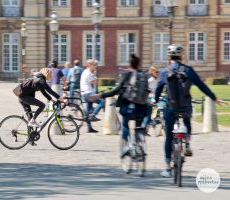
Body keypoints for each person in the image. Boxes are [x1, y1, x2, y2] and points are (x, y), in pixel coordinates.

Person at [155, 44, 226, 178]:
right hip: (186, 106)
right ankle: (187, 143)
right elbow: (201, 85)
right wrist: (214, 98)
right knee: (187, 122)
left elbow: (158, 89)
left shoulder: (165, 71)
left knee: (169, 137)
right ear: (181, 56)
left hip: (171, 107)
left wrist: (155, 101)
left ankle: (167, 168)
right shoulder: (188, 70)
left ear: (169, 56)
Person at [89, 54, 149, 156]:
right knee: (138, 126)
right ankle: (140, 146)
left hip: (129, 107)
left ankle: (126, 146)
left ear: (129, 64)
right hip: (141, 108)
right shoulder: (144, 75)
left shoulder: (127, 75)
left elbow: (115, 91)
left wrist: (100, 95)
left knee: (125, 125)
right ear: (139, 64)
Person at [80, 59, 105, 133]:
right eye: (94, 65)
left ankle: (89, 128)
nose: (95, 66)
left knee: (88, 112)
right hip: (88, 94)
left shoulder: (87, 72)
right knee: (102, 102)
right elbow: (95, 83)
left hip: (87, 93)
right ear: (89, 65)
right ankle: (93, 114)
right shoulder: (88, 73)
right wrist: (95, 74)